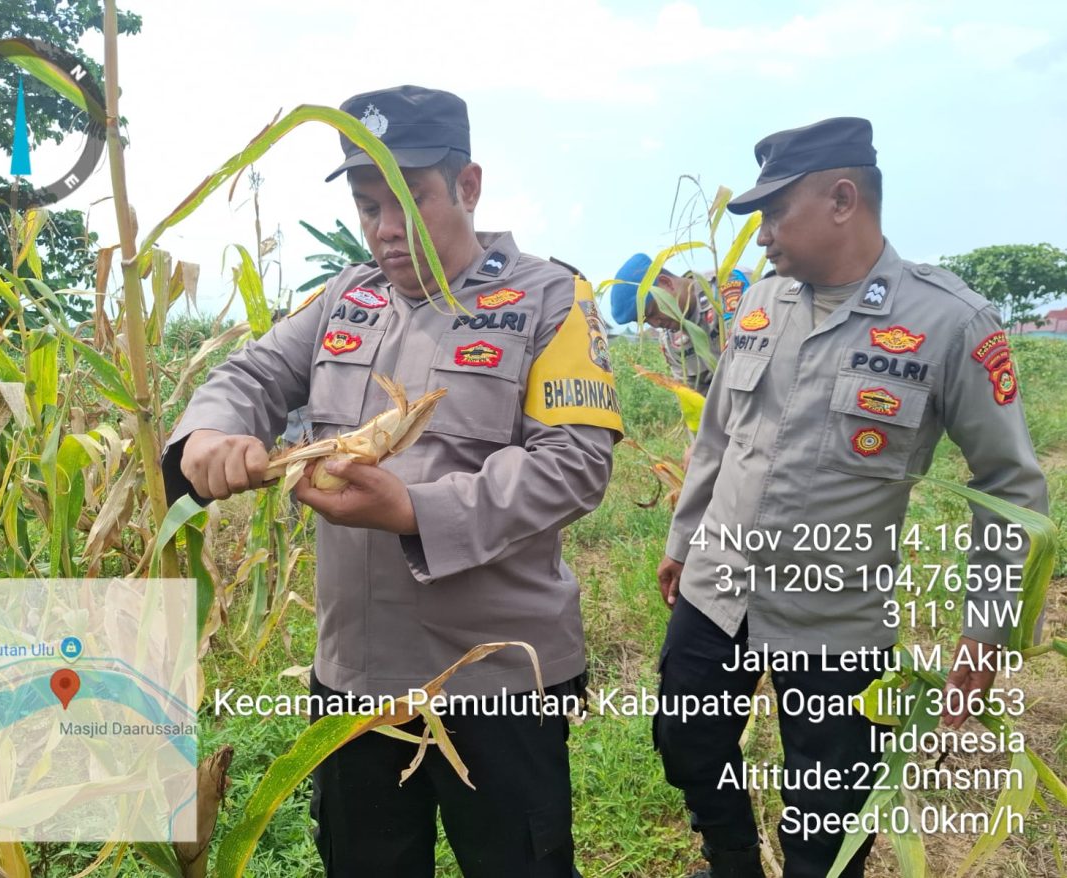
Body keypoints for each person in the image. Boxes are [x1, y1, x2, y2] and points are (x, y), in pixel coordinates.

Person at [161, 84, 622, 877]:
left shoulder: (549, 300)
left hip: (498, 681)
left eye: (409, 203)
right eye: (369, 207)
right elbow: (252, 375)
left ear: (468, 186)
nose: (385, 231)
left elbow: (574, 464)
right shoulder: (347, 298)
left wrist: (413, 510)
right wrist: (208, 431)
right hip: (356, 678)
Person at [652, 117, 1048, 878]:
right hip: (718, 588)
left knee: (830, 810)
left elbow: (1010, 485)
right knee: (686, 740)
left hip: (834, 617)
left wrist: (987, 629)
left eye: (775, 212)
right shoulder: (760, 303)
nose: (763, 234)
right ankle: (730, 863)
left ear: (842, 199)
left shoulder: (949, 322)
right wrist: (683, 540)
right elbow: (718, 436)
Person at [608, 255, 750, 394]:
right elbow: (695, 397)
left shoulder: (730, 286)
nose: (655, 324)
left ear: (666, 283)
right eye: (646, 321)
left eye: (652, 312)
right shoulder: (672, 343)